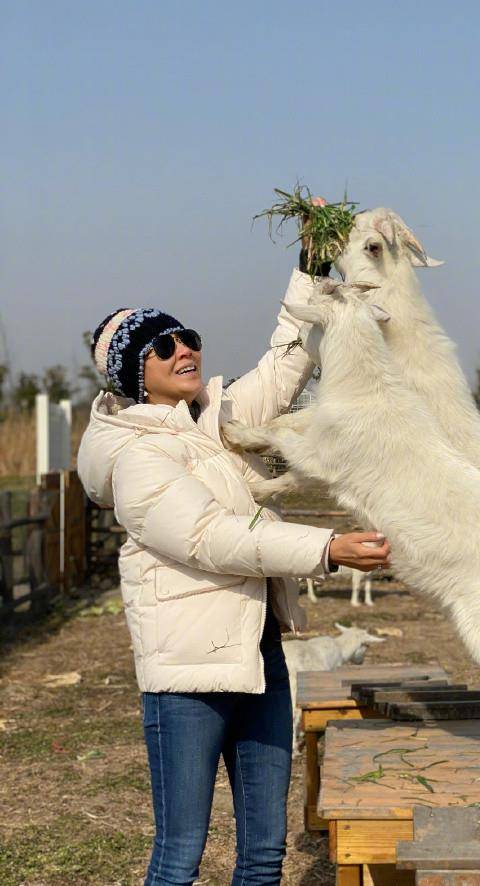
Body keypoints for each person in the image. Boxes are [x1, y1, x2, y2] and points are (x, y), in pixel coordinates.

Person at [77, 260, 390, 885]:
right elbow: (212, 537)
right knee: (180, 855)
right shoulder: (136, 456)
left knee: (264, 853)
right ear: (134, 373)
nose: (185, 349)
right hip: (188, 678)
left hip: (258, 654)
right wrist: (327, 548)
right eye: (163, 346)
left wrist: (308, 270)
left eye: (188, 336)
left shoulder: (209, 422)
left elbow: (283, 366)